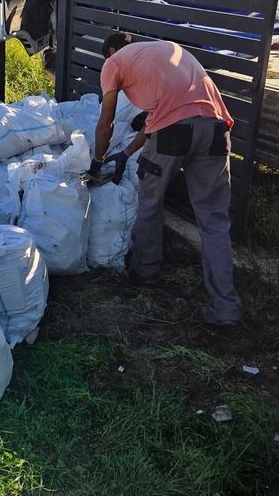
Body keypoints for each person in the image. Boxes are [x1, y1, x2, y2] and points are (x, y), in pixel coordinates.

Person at [89, 31, 241, 326]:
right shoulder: (167, 51)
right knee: (214, 222)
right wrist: (127, 153)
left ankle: (145, 274)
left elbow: (106, 120)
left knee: (150, 203)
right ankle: (226, 308)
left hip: (173, 134)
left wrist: (97, 160)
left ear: (111, 51)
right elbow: (161, 115)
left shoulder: (114, 62)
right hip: (216, 129)